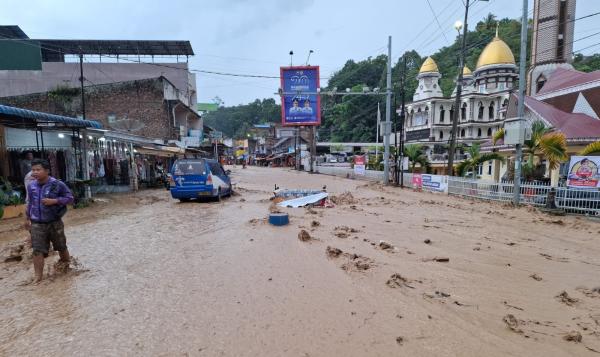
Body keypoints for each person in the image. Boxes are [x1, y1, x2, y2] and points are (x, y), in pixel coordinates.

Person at [25, 159, 74, 283]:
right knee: (37, 250)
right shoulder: (31, 186)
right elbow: (30, 203)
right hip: (37, 223)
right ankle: (38, 277)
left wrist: (55, 201)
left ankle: (66, 268)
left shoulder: (57, 184)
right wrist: (27, 218)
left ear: (47, 171)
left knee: (61, 246)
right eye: (33, 170)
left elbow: (70, 198)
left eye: (38, 169)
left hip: (54, 222)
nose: (35, 172)